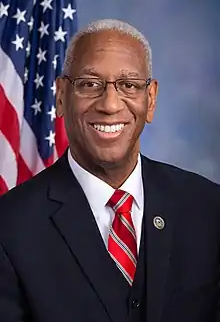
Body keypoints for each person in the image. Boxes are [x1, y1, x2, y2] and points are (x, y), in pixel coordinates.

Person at [0, 19, 219, 322]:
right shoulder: (10, 227)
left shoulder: (208, 207)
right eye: (90, 84)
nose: (110, 104)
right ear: (61, 96)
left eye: (128, 85)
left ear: (151, 99)